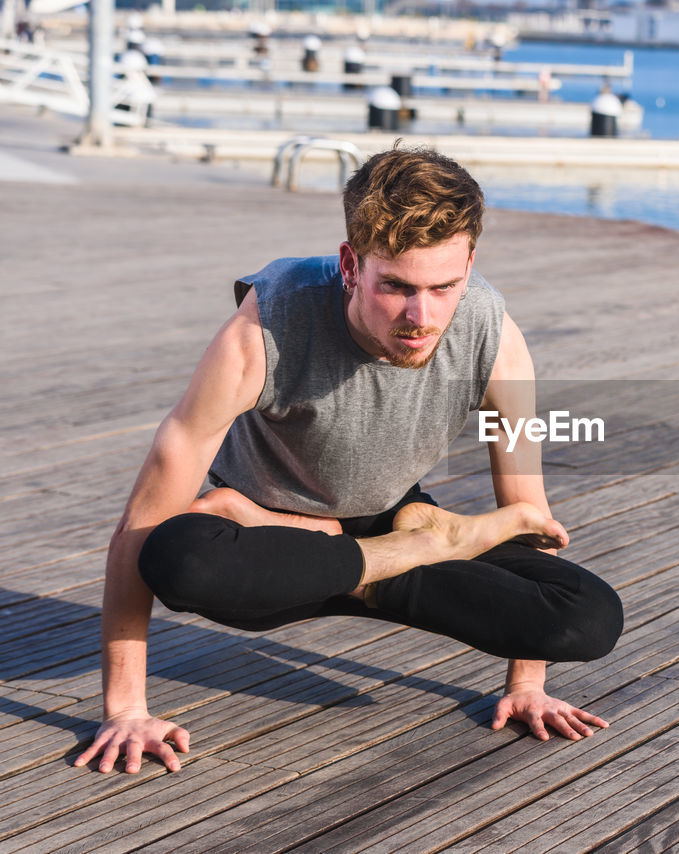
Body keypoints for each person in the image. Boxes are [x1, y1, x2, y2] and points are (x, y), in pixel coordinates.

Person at [74, 146, 624, 775]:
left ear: (470, 262)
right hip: (268, 543)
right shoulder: (266, 328)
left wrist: (527, 683)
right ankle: (385, 550)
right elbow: (139, 526)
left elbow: (528, 516)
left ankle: (391, 556)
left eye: (444, 287)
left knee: (588, 616)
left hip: (401, 531)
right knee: (180, 557)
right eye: (395, 287)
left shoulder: (496, 339)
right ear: (349, 264)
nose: (421, 317)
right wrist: (126, 710)